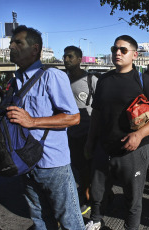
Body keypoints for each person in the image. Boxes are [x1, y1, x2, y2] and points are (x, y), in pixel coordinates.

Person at [84, 35, 149, 230]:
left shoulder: (143, 81)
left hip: (134, 151)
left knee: (133, 196)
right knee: (97, 189)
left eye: (123, 50)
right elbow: (96, 114)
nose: (117, 53)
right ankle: (95, 219)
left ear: (134, 55)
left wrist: (139, 135)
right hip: (103, 147)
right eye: (114, 49)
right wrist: (90, 141)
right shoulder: (103, 80)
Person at [7, 25, 85, 229]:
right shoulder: (15, 81)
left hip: (53, 164)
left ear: (34, 49)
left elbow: (73, 117)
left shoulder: (51, 76)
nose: (11, 47)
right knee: (40, 221)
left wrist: (32, 121)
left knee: (71, 222)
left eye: (18, 43)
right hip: (25, 163)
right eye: (11, 43)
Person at [63, 45, 98, 215]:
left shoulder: (91, 80)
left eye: (70, 56)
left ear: (79, 59)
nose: (66, 60)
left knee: (88, 168)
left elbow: (101, 106)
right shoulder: (62, 80)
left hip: (88, 133)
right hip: (69, 134)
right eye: (65, 56)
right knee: (77, 167)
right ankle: (88, 193)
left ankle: (88, 198)